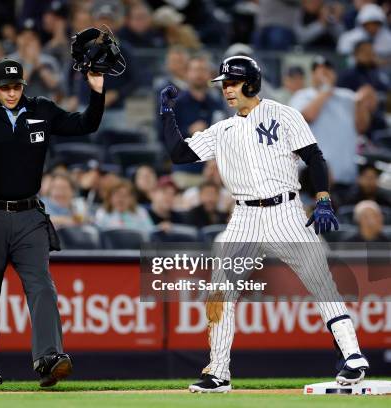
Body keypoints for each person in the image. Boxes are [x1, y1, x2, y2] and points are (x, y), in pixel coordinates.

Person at [160, 55, 369, 392]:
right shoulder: (223, 129)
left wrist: (324, 197)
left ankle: (353, 355)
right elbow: (180, 154)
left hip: (284, 211)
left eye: (233, 82)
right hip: (243, 215)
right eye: (224, 84)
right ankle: (218, 372)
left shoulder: (284, 114)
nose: (227, 89)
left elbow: (314, 156)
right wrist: (168, 115)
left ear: (252, 83)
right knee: (220, 292)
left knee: (320, 281)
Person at [0, 40, 104, 387]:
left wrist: (97, 92)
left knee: (42, 286)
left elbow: (85, 124)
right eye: (5, 87)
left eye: (17, 86)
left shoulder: (41, 108)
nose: (12, 93)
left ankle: (48, 358)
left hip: (30, 215)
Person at [289, 56, 374, 191]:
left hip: (346, 178)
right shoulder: (302, 95)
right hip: (312, 180)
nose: (324, 73)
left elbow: (362, 127)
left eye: (327, 69)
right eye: (319, 70)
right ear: (312, 74)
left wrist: (362, 104)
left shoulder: (348, 96)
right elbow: (308, 116)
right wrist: (326, 88)